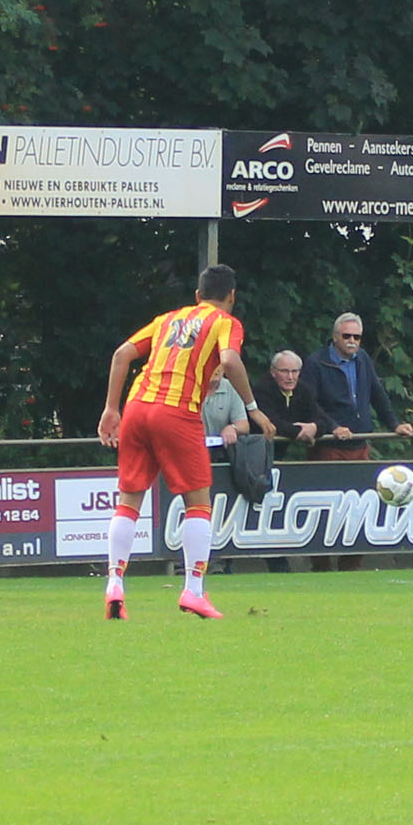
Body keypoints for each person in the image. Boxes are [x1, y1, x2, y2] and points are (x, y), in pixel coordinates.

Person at [98, 265, 275, 620]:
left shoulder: (167, 319)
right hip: (176, 412)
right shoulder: (225, 322)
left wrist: (111, 409)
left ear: (197, 295)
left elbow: (121, 355)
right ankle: (194, 590)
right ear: (232, 297)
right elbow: (229, 360)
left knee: (129, 500)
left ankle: (114, 584)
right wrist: (253, 408)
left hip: (137, 407)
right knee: (198, 504)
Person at [300, 312, 413, 460]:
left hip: (361, 443)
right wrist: (333, 427)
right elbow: (308, 403)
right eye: (346, 336)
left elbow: (377, 394)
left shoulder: (362, 358)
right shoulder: (316, 363)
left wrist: (394, 424)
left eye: (357, 337)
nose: (352, 341)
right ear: (335, 337)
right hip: (328, 445)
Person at [250, 350, 329, 458]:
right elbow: (274, 424)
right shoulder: (261, 390)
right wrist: (302, 432)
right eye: (284, 371)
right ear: (273, 372)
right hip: (256, 452)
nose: (290, 377)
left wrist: (314, 427)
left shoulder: (304, 390)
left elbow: (322, 419)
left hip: (281, 454)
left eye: (294, 371)